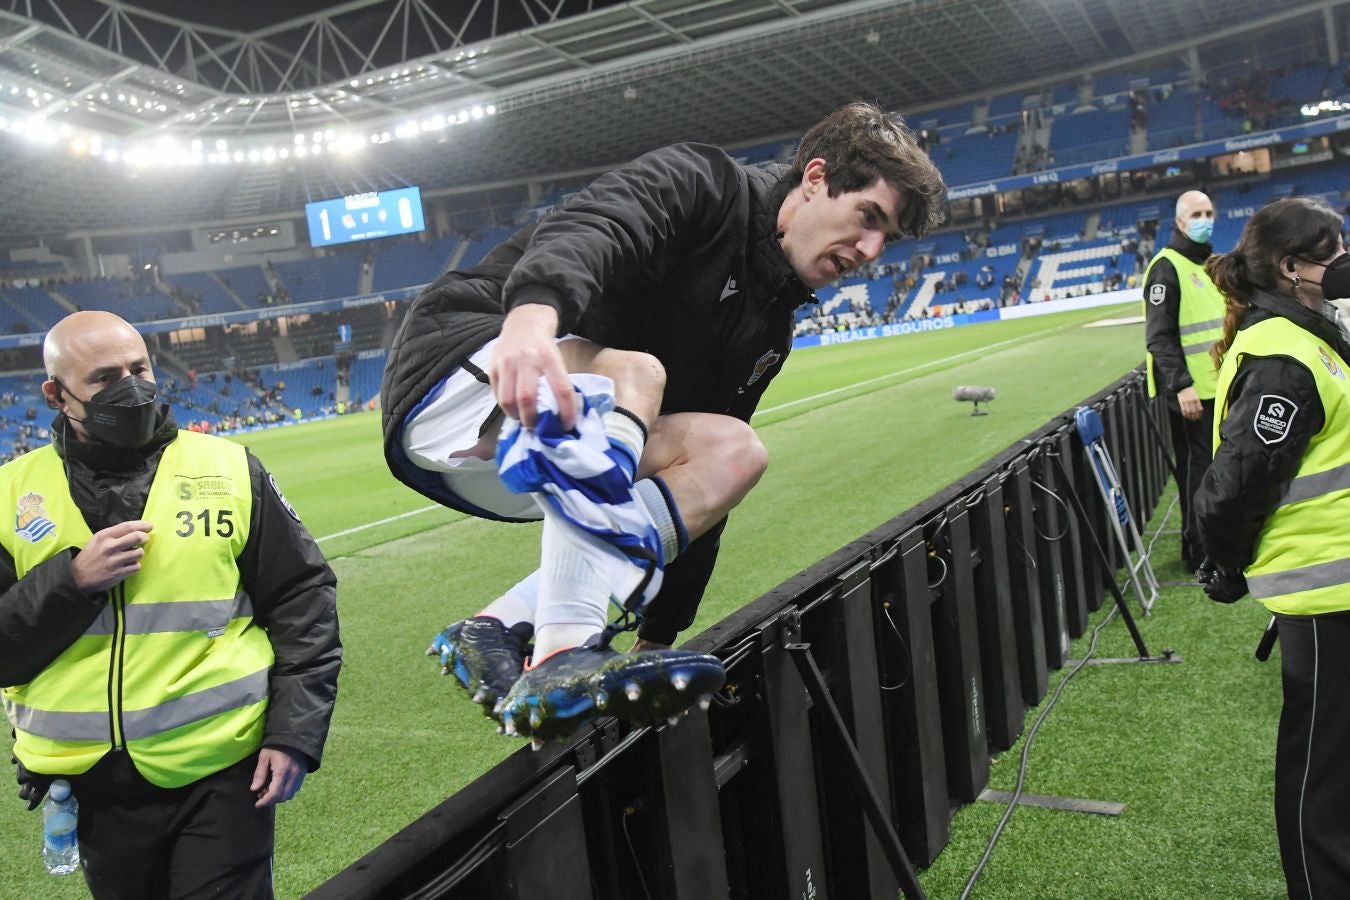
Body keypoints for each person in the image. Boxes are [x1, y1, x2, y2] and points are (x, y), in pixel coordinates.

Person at [382, 102, 946, 742]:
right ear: (815, 177)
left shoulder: (768, 331)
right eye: (868, 217)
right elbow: (594, 227)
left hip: (529, 455)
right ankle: (563, 652)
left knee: (733, 452)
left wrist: (656, 640)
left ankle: (496, 627)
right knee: (637, 375)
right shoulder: (705, 182)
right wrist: (533, 318)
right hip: (468, 363)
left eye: (886, 238)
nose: (871, 249)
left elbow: (703, 504)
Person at [2, 311, 341, 898]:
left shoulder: (230, 469)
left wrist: (294, 732)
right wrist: (72, 581)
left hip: (222, 770)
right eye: (105, 377)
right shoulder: (9, 494)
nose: (130, 387)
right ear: (56, 396)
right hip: (92, 785)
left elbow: (302, 598)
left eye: (139, 368)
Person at [1193, 197, 1350, 899]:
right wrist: (1224, 563)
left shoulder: (1308, 336)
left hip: (1338, 590)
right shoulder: (1282, 357)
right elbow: (1232, 488)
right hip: (1324, 596)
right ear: (1292, 268)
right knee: (1322, 779)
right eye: (1333, 252)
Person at [1143, 189, 1226, 571]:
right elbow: (1159, 336)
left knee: (1214, 470)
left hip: (1218, 387)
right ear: (1179, 222)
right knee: (1199, 473)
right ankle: (1198, 551)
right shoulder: (1166, 266)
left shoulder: (1209, 262)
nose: (1204, 218)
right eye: (1196, 213)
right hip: (1194, 393)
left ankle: (1215, 542)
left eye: (1209, 212)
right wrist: (1181, 386)